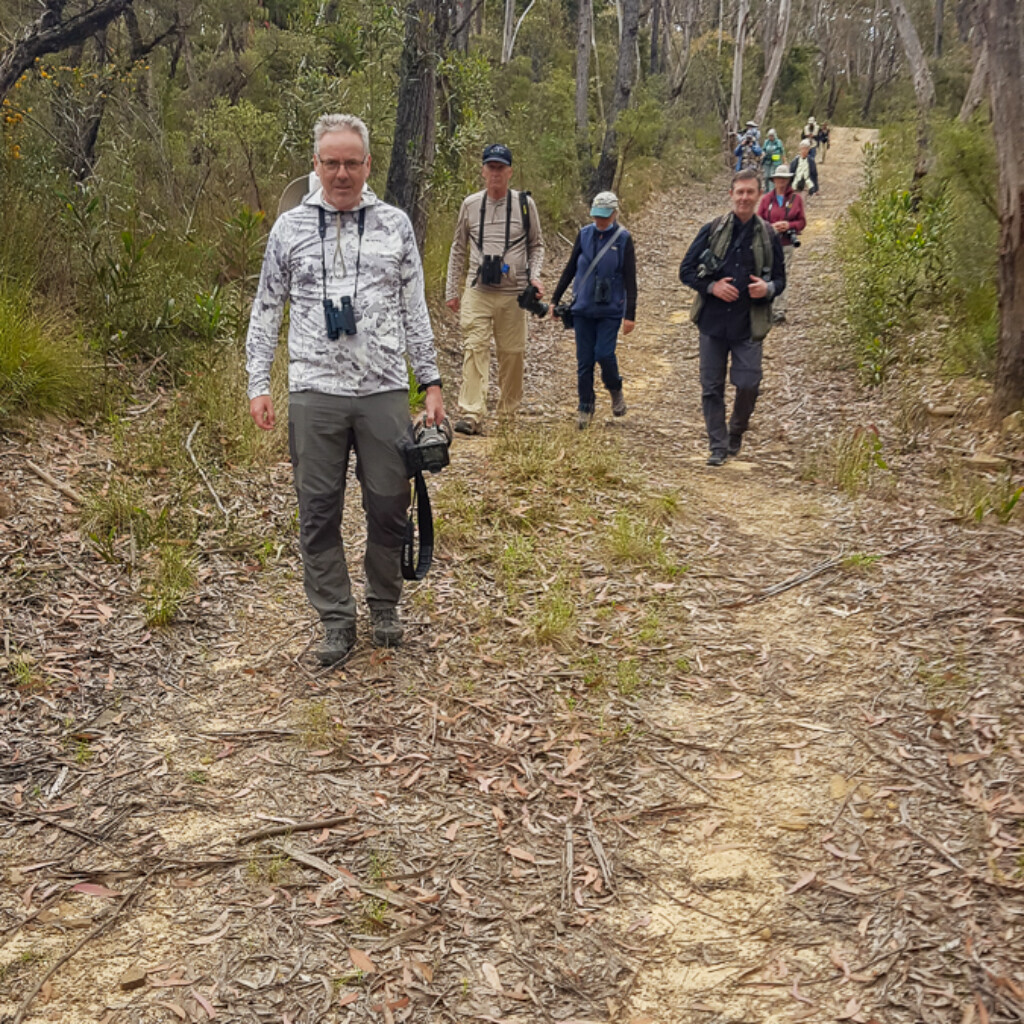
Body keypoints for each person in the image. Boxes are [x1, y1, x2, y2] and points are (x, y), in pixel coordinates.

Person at [246, 113, 445, 666]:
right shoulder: (289, 229)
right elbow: (266, 310)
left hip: (383, 389)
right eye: (331, 162)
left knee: (389, 504)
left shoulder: (394, 225)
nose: (341, 173)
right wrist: (258, 383)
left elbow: (415, 310)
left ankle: (384, 604)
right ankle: (336, 618)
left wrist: (430, 381)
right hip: (314, 390)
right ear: (315, 164)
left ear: (367, 165)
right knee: (318, 510)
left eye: (351, 163)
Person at [679, 169, 786, 466]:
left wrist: (767, 288)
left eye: (750, 192)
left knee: (749, 383)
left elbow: (780, 279)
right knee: (711, 387)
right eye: (740, 192)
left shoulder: (768, 235)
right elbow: (686, 271)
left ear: (759, 195)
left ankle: (736, 431)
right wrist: (712, 287)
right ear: (731, 194)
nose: (744, 197)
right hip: (712, 323)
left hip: (748, 323)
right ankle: (717, 445)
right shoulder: (712, 229)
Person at [445, 144, 545, 435]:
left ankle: (507, 414)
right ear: (483, 171)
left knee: (512, 353)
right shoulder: (470, 204)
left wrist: (534, 277)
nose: (495, 173)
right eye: (491, 167)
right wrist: (451, 289)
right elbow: (458, 247)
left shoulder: (525, 205)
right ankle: (471, 412)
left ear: (510, 171)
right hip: (478, 290)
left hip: (514, 292)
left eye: (501, 167)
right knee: (474, 347)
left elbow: (537, 245)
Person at [550, 191, 638, 429]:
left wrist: (630, 315)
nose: (600, 221)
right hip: (583, 308)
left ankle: (615, 388)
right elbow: (570, 268)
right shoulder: (584, 234)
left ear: (615, 214)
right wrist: (555, 299)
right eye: (597, 216)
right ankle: (585, 407)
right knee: (584, 361)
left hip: (610, 310)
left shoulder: (623, 239)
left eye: (605, 216)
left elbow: (630, 279)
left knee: (604, 354)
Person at [756, 166, 805, 324]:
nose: (781, 182)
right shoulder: (766, 199)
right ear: (774, 180)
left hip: (786, 243)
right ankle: (767, 308)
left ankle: (779, 310)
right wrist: (771, 227)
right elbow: (757, 221)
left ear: (789, 180)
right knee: (766, 273)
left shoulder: (796, 199)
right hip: (768, 243)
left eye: (784, 179)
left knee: (783, 274)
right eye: (779, 178)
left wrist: (789, 226)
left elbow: (802, 221)